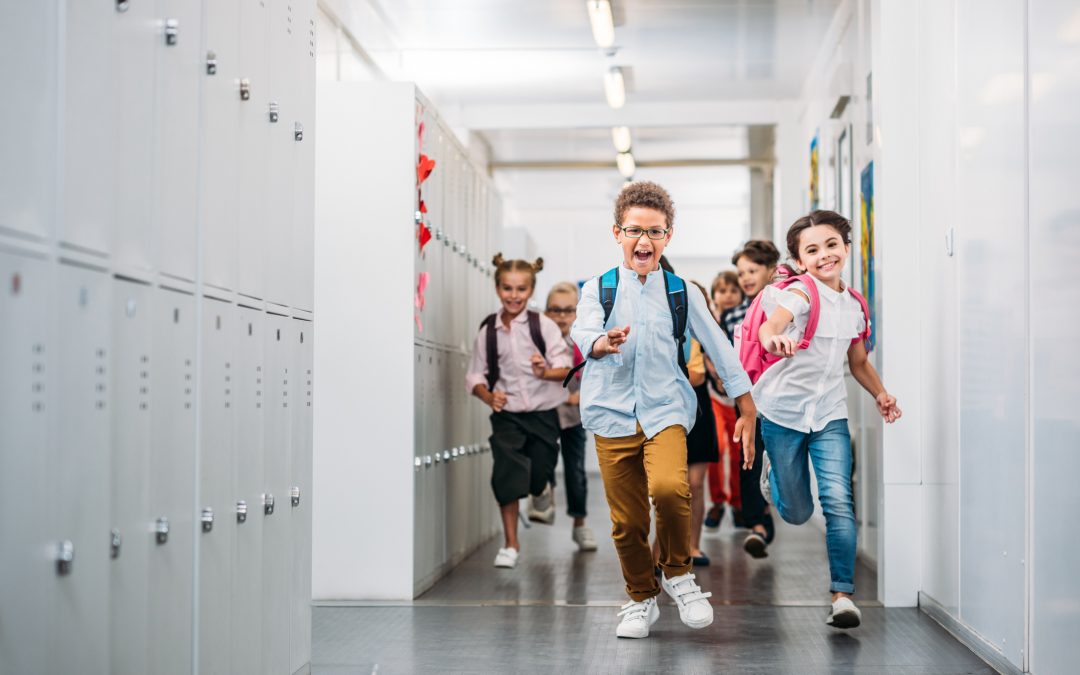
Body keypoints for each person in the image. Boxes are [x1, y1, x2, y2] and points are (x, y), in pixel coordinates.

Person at [571, 181, 756, 639]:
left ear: (668, 237)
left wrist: (747, 408)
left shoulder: (682, 292)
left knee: (673, 490)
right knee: (626, 522)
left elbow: (720, 347)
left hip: (665, 409)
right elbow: (583, 332)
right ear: (618, 234)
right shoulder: (598, 289)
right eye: (635, 231)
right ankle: (640, 598)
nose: (644, 241)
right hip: (611, 413)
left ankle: (677, 573)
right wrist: (601, 342)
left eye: (655, 232)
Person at [755, 210, 901, 628]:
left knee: (839, 501)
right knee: (798, 512)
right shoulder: (799, 294)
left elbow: (857, 362)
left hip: (829, 413)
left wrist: (881, 393)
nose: (824, 255)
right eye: (812, 250)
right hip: (782, 412)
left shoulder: (855, 304)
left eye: (831, 245)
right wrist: (775, 338)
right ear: (800, 261)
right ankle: (776, 476)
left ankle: (842, 596)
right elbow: (771, 327)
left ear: (846, 248)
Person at [466, 255, 572, 569]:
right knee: (507, 474)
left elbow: (565, 368)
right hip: (507, 413)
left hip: (542, 414)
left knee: (539, 472)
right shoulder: (488, 331)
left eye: (521, 289)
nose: (514, 295)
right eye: (507, 288)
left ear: (531, 290)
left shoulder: (545, 327)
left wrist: (545, 371)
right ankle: (511, 543)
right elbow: (475, 375)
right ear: (498, 288)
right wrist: (488, 396)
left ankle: (541, 490)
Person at [726, 240, 781, 558]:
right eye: (741, 272)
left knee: (774, 462)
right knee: (748, 459)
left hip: (778, 398)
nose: (745, 277)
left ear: (771, 270)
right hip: (748, 399)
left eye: (752, 270)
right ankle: (758, 525)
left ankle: (768, 514)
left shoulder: (783, 306)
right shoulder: (733, 315)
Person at [536, 281, 598, 552]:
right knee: (542, 462)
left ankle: (580, 524)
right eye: (555, 310)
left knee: (575, 471)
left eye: (568, 310)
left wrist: (580, 396)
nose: (561, 316)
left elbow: (596, 377)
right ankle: (542, 499)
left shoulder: (582, 342)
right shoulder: (538, 339)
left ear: (578, 313)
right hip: (545, 413)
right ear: (546, 312)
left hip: (573, 414)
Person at [704, 270, 745, 531]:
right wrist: (715, 373)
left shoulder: (743, 320)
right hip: (715, 395)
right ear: (713, 295)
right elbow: (704, 351)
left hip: (739, 398)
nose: (728, 296)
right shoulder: (709, 321)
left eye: (733, 291)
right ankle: (717, 502)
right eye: (722, 291)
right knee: (716, 449)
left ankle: (737, 503)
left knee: (738, 451)